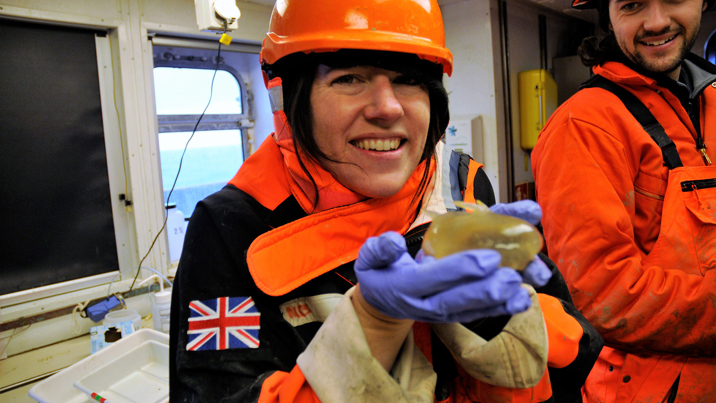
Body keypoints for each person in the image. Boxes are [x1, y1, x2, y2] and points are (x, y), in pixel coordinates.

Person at [170, 0, 601, 401]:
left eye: (408, 79)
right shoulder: (231, 225)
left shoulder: (462, 183)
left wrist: (499, 321)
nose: (387, 107)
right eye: (349, 79)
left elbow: (578, 358)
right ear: (288, 97)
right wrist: (373, 326)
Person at [532, 0, 716, 401]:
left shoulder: (712, 101)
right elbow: (606, 296)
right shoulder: (584, 125)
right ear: (607, 13)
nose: (656, 22)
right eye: (632, 4)